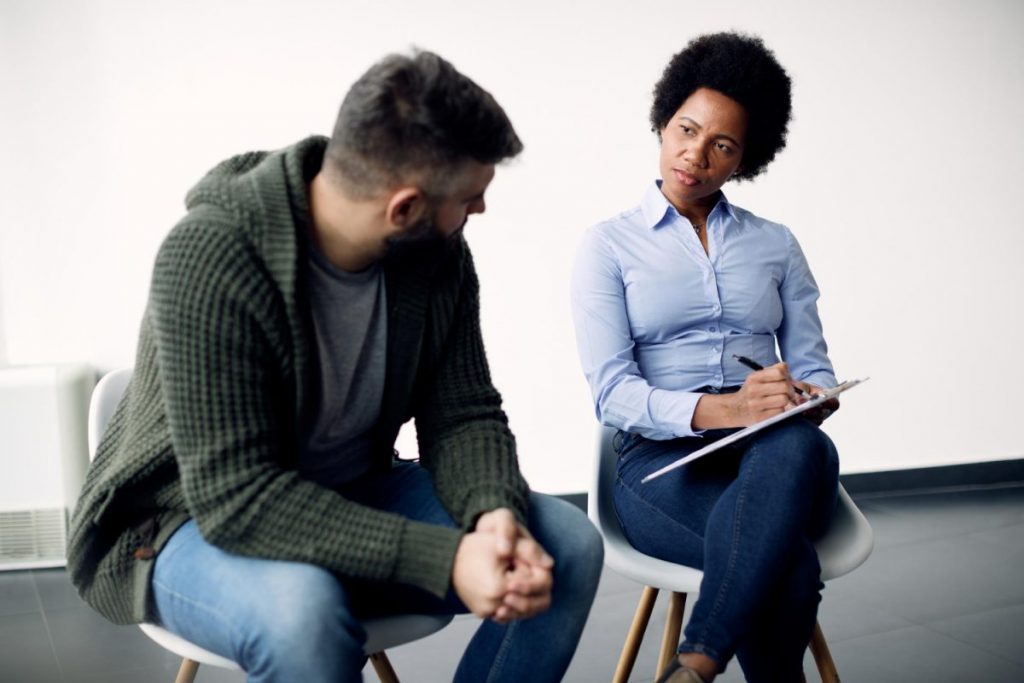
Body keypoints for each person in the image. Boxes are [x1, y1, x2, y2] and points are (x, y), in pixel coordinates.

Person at [68, 50, 602, 683]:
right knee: (303, 613)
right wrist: (448, 557)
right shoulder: (212, 255)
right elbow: (239, 499)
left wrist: (494, 515)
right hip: (187, 520)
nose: (478, 212)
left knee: (564, 547)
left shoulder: (437, 255)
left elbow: (463, 414)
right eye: (470, 198)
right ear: (403, 208)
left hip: (353, 487)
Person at [570, 32, 841, 683]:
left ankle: (693, 662)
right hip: (661, 464)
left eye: (722, 144)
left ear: (744, 158)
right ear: (663, 123)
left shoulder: (775, 244)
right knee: (792, 568)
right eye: (686, 129)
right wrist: (725, 408)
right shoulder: (607, 246)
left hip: (772, 455)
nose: (696, 154)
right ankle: (702, 661)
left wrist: (813, 394)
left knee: (798, 445)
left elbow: (815, 363)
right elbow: (612, 394)